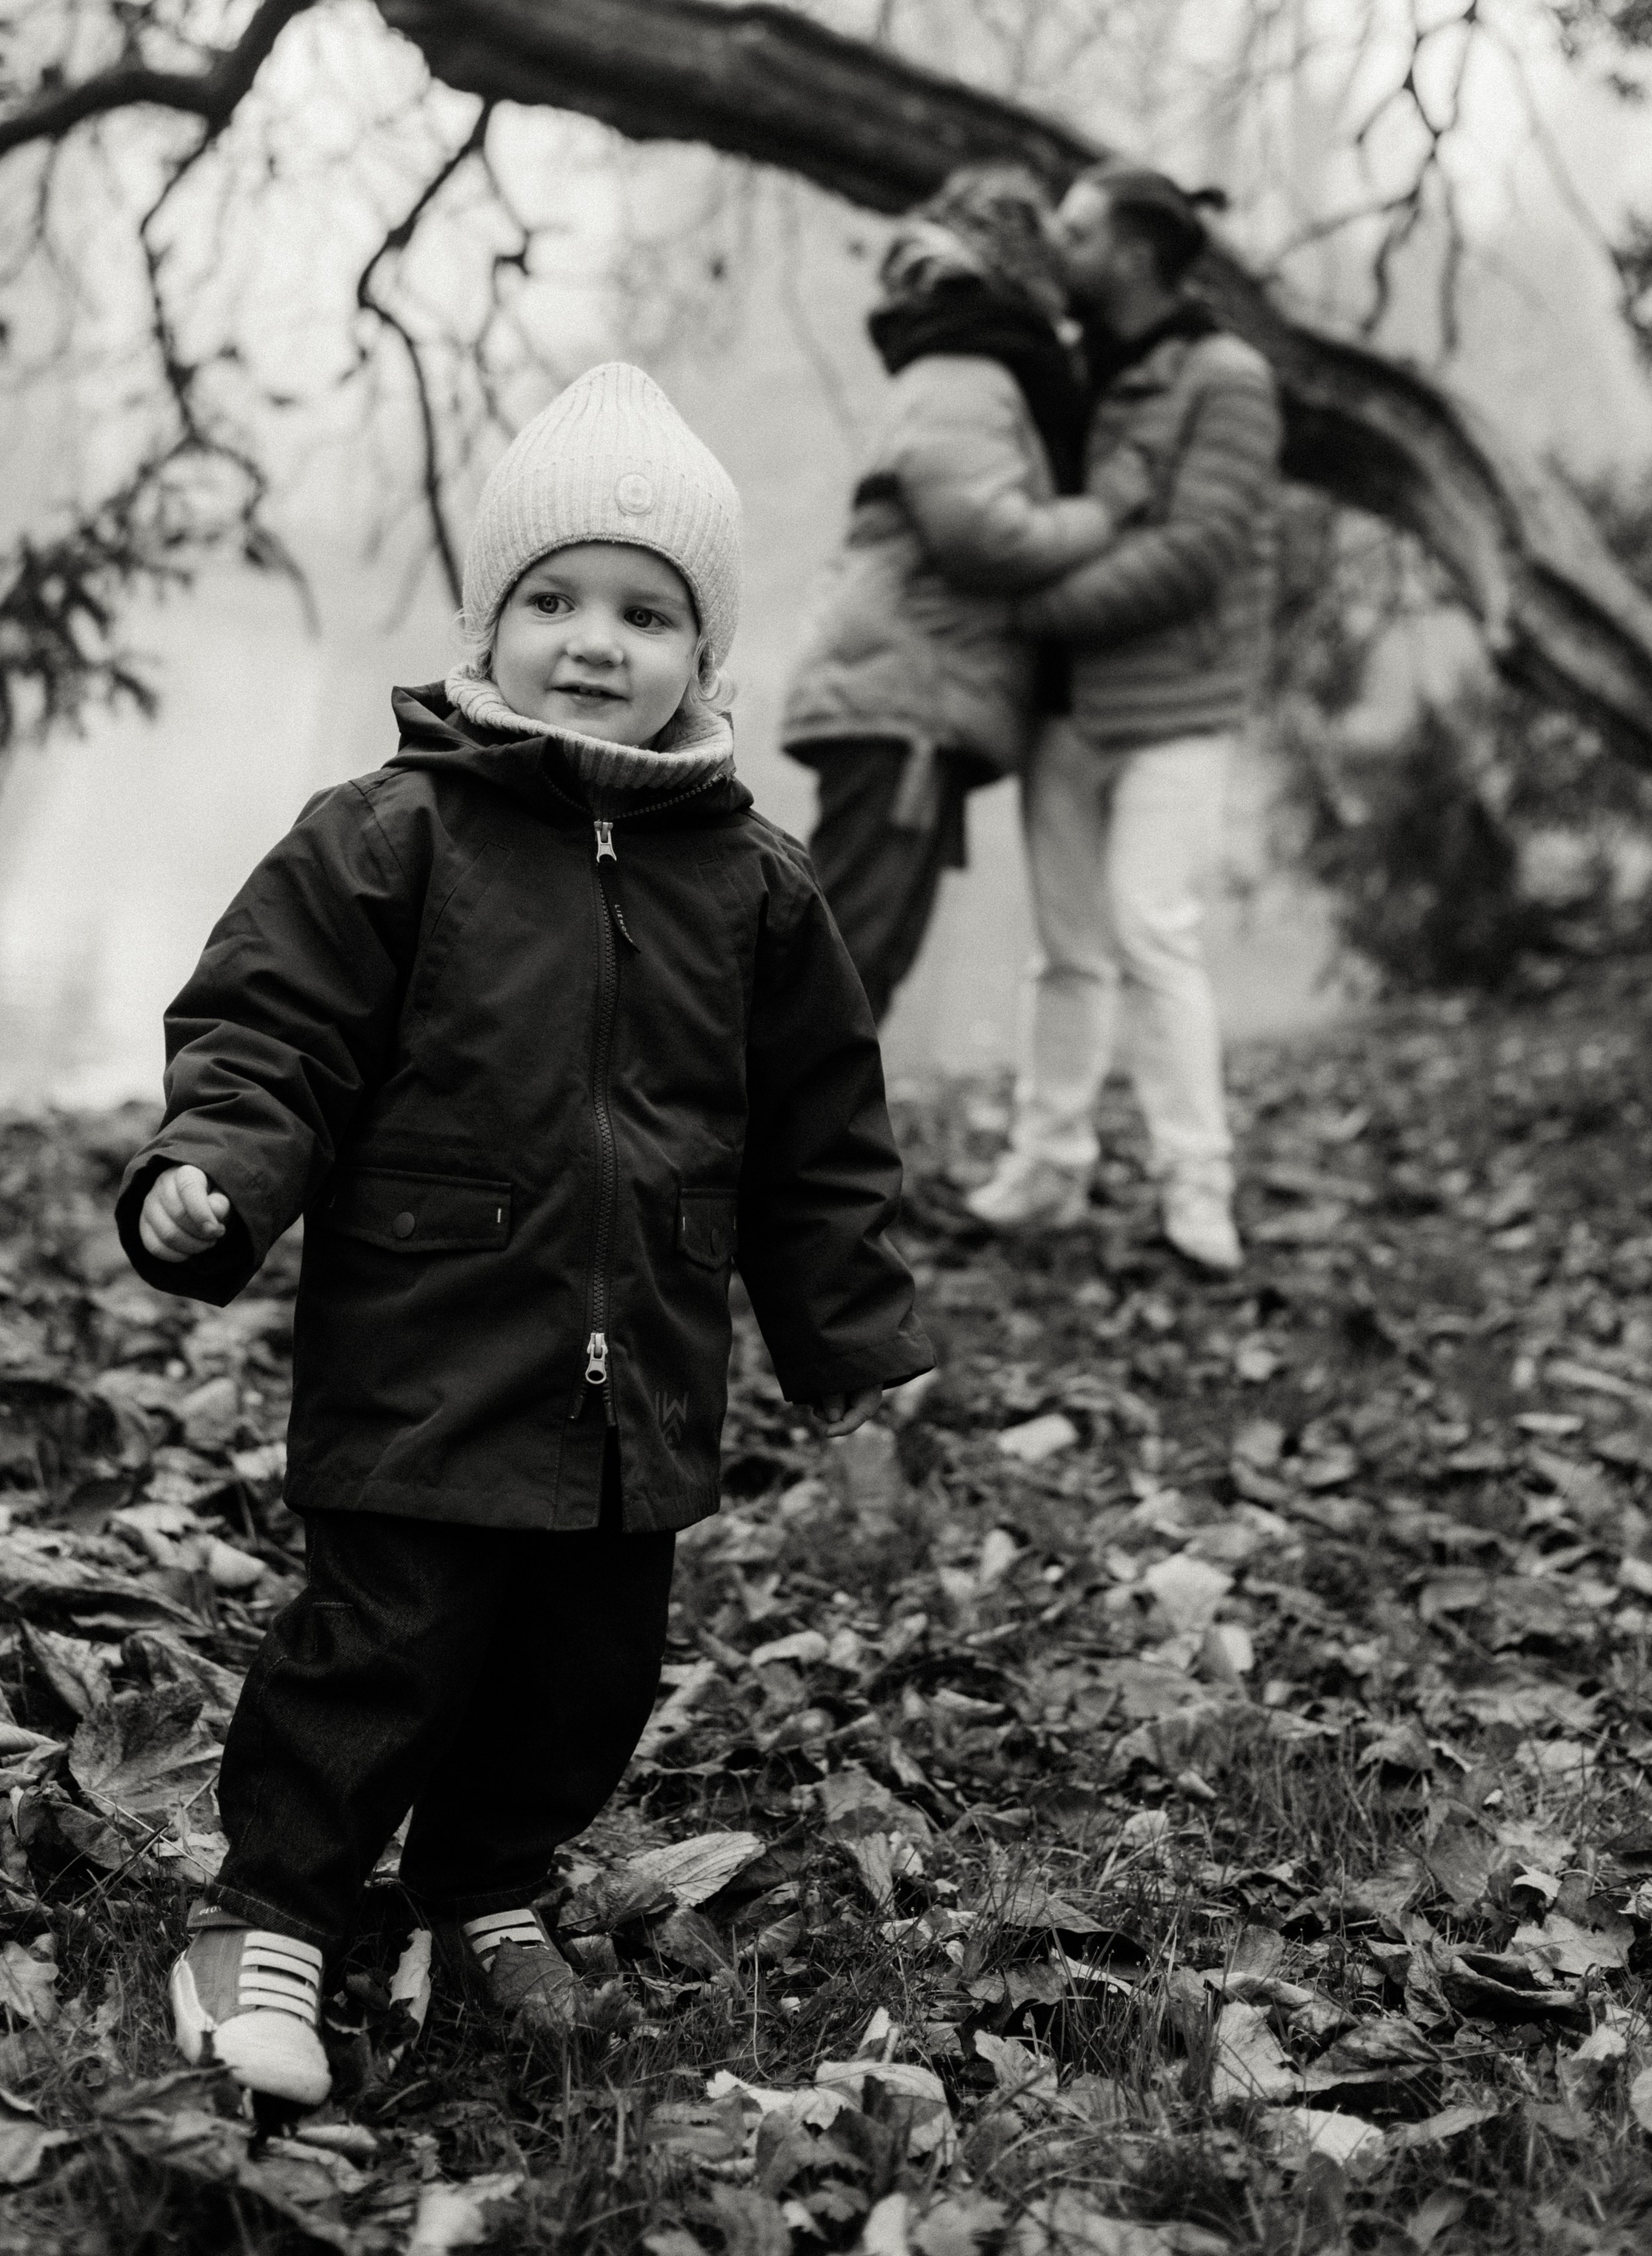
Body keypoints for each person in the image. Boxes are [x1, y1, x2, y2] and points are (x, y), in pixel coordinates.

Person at [113, 362, 932, 2106]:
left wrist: (848, 1341)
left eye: (643, 611)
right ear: (489, 623)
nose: (590, 638)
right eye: (550, 598)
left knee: (584, 1672)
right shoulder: (390, 837)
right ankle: (266, 1912)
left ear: (701, 656)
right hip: (421, 1357)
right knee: (379, 1650)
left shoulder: (756, 888)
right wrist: (219, 1174)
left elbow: (817, 1140)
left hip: (633, 1385)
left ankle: (481, 1884)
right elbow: (268, 1031)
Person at [967, 164, 1282, 1274]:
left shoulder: (1228, 378)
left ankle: (1199, 1188)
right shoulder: (1067, 363)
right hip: (1063, 710)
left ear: (1139, 254)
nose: (1064, 239)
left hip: (1174, 710)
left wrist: (1032, 605)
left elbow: (1197, 555)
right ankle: (1047, 1169)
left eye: (1085, 228)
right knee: (1065, 951)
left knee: (1154, 933)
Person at [781, 164, 1150, 1021]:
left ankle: (782, 1140)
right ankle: (741, 1143)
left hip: (908, 692)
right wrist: (1105, 512)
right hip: (903, 695)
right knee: (845, 955)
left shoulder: (967, 365)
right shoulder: (964, 373)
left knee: (858, 950)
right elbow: (982, 536)